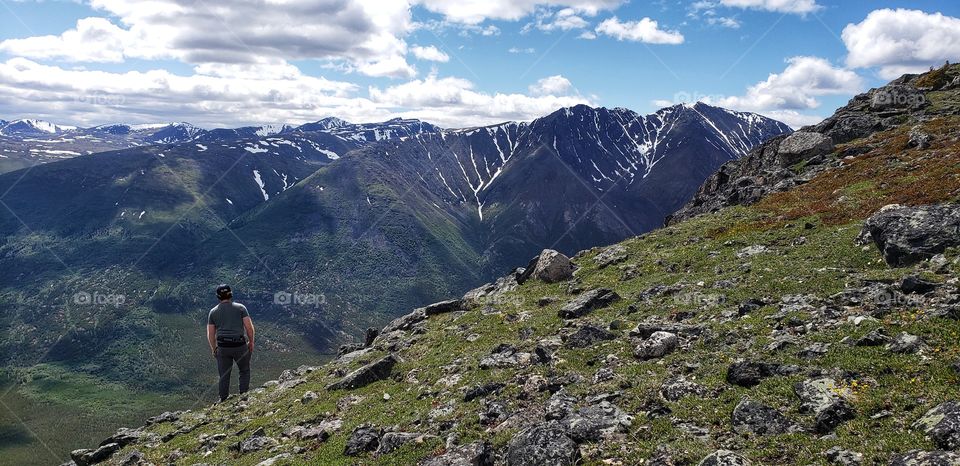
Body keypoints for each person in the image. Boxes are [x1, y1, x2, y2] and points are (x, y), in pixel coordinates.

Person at [206, 284, 255, 402]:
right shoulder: (241, 308)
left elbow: (211, 334)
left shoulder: (213, 312)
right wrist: (251, 342)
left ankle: (223, 399)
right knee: (244, 370)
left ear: (218, 296)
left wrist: (214, 348)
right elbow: (249, 327)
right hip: (239, 345)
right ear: (231, 294)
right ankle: (243, 396)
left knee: (224, 375)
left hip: (223, 347)